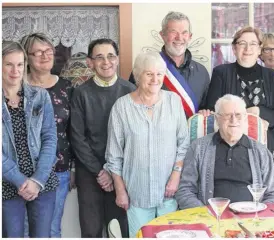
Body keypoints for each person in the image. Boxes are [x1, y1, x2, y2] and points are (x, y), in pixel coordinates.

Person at [104, 51, 190, 237]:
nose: (155, 79)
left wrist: (176, 176)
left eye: (159, 74)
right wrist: (120, 191)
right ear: (138, 75)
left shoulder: (174, 102)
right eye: (149, 74)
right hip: (137, 194)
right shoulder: (122, 107)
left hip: (169, 193)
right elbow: (114, 156)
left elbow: (183, 144)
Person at [70, 38, 135, 238]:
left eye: (110, 56)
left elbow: (134, 136)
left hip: (122, 174)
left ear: (117, 59)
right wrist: (100, 172)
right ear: (90, 62)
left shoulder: (130, 91)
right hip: (90, 173)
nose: (106, 62)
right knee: (91, 231)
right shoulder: (81, 93)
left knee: (119, 231)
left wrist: (112, 172)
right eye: (99, 57)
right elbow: (77, 137)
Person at [175, 94, 274, 210]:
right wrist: (206, 214)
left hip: (250, 220)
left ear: (245, 118)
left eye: (238, 115)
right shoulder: (198, 148)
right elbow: (185, 190)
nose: (233, 120)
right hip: (211, 220)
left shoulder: (261, 152)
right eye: (227, 115)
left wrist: (257, 217)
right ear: (217, 118)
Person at [204, 26, 274, 171]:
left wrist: (259, 111)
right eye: (242, 43)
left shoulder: (271, 76)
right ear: (234, 49)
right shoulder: (221, 73)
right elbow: (212, 112)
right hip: (228, 151)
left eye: (253, 44)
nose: (248, 48)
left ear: (260, 49)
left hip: (265, 150)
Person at [20, 32, 75, 238]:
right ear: (27, 57)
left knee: (51, 229)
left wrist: (74, 168)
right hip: (21, 172)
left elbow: (73, 131)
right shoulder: (17, 88)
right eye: (38, 52)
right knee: (22, 230)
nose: (45, 56)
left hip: (58, 169)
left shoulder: (67, 87)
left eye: (49, 51)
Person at [2, 41, 58, 237]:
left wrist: (37, 180)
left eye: (19, 64)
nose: (15, 70)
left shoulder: (40, 96)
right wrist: (19, 180)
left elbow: (50, 138)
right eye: (8, 64)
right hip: (7, 184)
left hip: (41, 182)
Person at [129, 11, 210, 118]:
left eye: (184, 32)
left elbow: (205, 109)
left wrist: (205, 113)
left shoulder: (202, 72)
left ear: (190, 36)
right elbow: (131, 106)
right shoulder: (144, 67)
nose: (179, 38)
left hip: (192, 134)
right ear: (162, 35)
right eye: (173, 32)